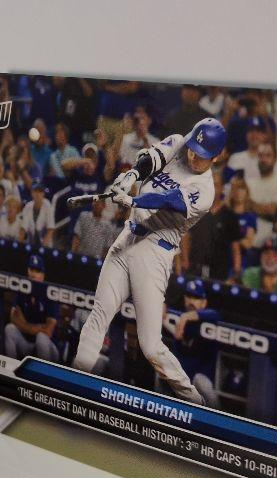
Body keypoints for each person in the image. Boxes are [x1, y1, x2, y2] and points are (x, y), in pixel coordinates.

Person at [72, 118, 223, 403]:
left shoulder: (205, 191)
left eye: (202, 155)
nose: (193, 156)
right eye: (193, 149)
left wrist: (132, 201)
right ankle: (74, 382)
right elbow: (152, 159)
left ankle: (194, 401)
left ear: (216, 157)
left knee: (151, 345)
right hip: (128, 235)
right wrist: (130, 177)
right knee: (99, 314)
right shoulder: (181, 142)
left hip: (154, 252)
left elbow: (168, 200)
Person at [168, 278, 220, 406]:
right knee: (163, 372)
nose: (191, 301)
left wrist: (186, 317)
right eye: (189, 296)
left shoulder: (209, 319)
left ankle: (217, 415)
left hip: (201, 381)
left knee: (200, 381)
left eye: (196, 298)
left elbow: (215, 314)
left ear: (204, 302)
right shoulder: (176, 317)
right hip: (181, 380)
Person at [4, 254, 59, 360]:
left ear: (43, 275)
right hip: (27, 344)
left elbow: (48, 331)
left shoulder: (50, 294)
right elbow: (13, 318)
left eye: (37, 271)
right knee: (9, 329)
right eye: (31, 270)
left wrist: (24, 325)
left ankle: (43, 371)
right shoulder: (22, 290)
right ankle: (10, 367)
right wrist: (35, 328)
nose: (33, 274)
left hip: (48, 347)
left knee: (41, 338)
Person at [244, 142, 277, 243]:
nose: (263, 159)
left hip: (271, 241)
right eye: (260, 155)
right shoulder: (248, 184)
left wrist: (251, 205)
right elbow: (241, 206)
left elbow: (274, 212)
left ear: (275, 159)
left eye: (268, 155)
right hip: (247, 239)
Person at [225, 180, 258, 277]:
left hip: (241, 262)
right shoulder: (225, 214)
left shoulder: (250, 217)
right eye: (236, 190)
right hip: (223, 257)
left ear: (247, 194)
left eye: (242, 190)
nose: (239, 193)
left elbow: (248, 244)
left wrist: (233, 236)